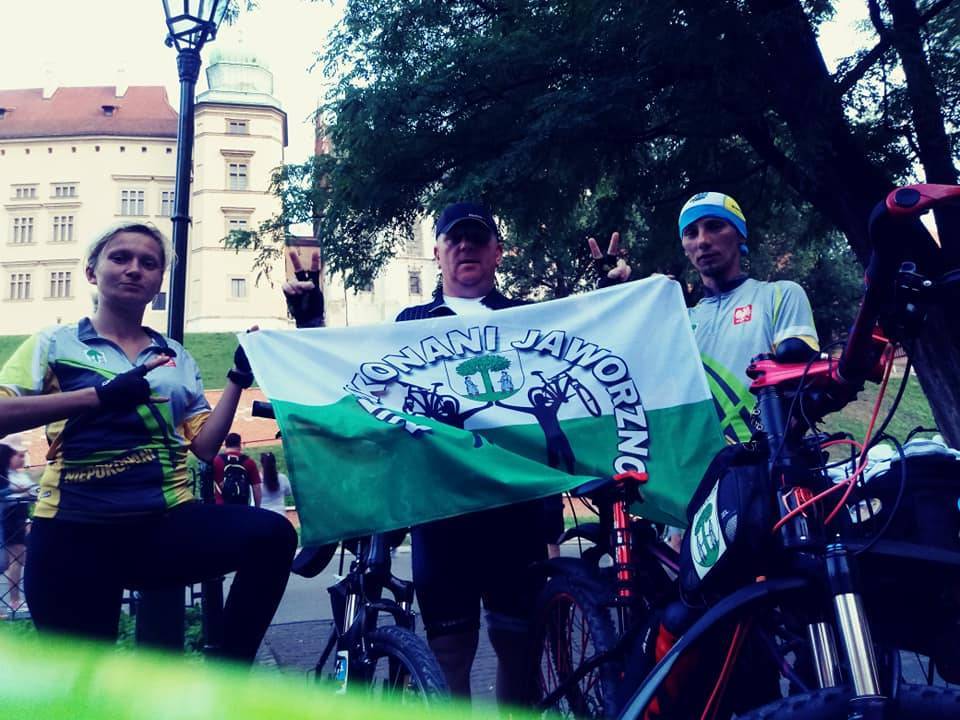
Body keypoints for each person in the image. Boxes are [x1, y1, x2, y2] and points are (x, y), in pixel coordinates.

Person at [284, 203, 569, 708]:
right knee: (448, 654)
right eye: (454, 239)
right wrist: (310, 322)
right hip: (440, 514)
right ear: (436, 252)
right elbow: (354, 381)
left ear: (498, 252)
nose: (466, 247)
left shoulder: (526, 317)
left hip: (515, 511)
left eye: (477, 238)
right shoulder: (409, 323)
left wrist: (619, 289)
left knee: (519, 648)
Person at [0, 222, 297, 663]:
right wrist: (99, 397)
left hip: (163, 526)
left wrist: (238, 376)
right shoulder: (54, 343)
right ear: (91, 272)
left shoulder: (175, 356)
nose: (134, 269)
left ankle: (227, 676)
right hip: (73, 532)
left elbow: (205, 448)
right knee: (83, 689)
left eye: (149, 262)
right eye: (120, 257)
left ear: (159, 282)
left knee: (273, 536)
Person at [0, 433, 36, 613]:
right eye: (18, 455)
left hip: (19, 519)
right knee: (17, 559)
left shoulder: (17, 475)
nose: (22, 459)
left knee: (13, 560)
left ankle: (15, 600)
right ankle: (15, 601)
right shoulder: (4, 476)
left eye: (23, 455)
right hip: (9, 519)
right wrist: (14, 490)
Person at [212, 433, 262, 507]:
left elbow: (207, 484)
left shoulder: (216, 461)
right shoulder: (249, 462)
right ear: (239, 444)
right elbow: (256, 488)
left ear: (225, 444)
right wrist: (257, 507)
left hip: (221, 506)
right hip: (242, 506)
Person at [258, 452, 292, 519]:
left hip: (261, 516)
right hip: (280, 516)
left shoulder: (256, 480)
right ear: (275, 463)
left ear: (261, 464)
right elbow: (288, 493)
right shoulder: (283, 478)